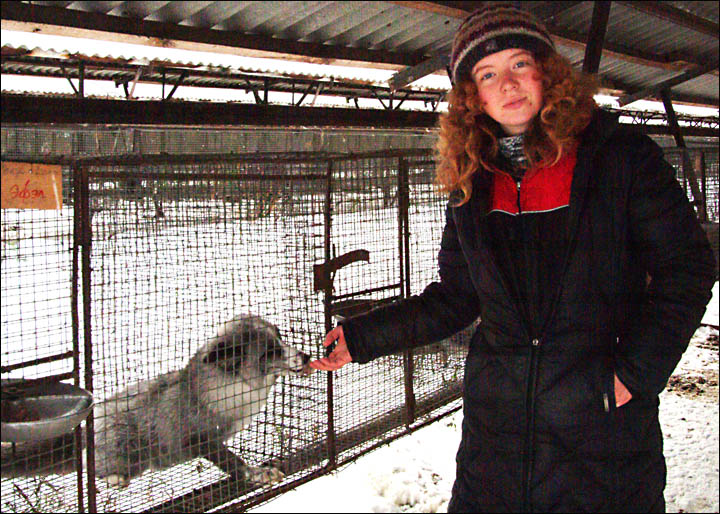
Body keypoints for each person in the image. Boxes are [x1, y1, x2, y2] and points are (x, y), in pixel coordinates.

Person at [310, 4, 716, 513]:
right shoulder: (471, 182)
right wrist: (364, 337)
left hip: (599, 433)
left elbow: (689, 267)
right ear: (471, 96)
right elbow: (458, 298)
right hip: (496, 441)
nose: (507, 84)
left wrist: (634, 374)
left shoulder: (620, 157)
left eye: (519, 63)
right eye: (487, 73)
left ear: (547, 71)